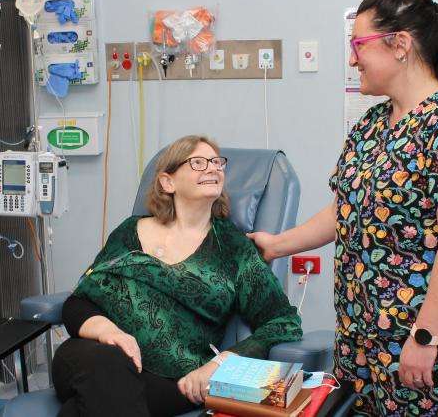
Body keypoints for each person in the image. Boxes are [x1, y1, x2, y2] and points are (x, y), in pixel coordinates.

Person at [249, 0, 438, 416]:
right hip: (361, 329)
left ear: (399, 44)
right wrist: (277, 244)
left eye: (359, 45)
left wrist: (425, 338)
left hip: (421, 332)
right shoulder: (372, 124)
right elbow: (345, 210)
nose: (352, 59)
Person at [51, 135, 303, 416]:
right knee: (108, 362)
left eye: (217, 163)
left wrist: (220, 364)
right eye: (198, 162)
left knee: (78, 409)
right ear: (166, 182)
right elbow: (78, 303)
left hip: (172, 380)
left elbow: (282, 322)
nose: (213, 168)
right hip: (90, 354)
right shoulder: (129, 231)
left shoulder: (234, 249)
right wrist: (111, 334)